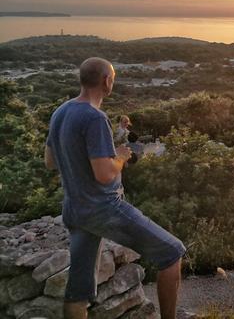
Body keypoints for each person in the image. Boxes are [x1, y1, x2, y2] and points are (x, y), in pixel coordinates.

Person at [44, 58, 185, 319]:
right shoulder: (94, 117)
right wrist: (120, 156)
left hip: (75, 210)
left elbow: (50, 162)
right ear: (107, 81)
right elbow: (105, 175)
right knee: (172, 253)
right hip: (104, 208)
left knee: (78, 291)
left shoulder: (61, 112)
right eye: (113, 78)